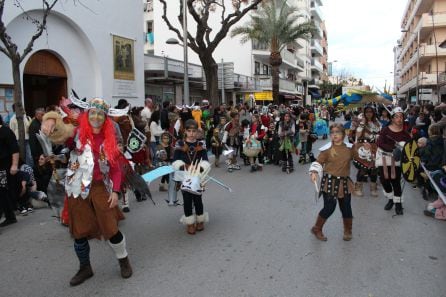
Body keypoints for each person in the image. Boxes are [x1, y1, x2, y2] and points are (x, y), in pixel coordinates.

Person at [41, 98, 133, 286]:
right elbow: (58, 133)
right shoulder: (76, 133)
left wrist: (115, 192)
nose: (96, 117)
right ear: (87, 115)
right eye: (93, 113)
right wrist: (50, 120)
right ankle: (85, 268)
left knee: (111, 229)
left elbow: (115, 169)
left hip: (100, 187)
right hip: (76, 186)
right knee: (79, 232)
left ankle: (124, 260)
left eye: (100, 114)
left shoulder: (110, 140)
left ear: (106, 118)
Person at [309, 123, 354, 241]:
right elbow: (318, 162)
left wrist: (366, 150)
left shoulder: (350, 148)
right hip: (329, 183)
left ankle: (348, 230)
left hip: (344, 183)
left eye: (337, 132)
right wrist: (314, 172)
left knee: (346, 208)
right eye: (332, 132)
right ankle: (317, 228)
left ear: (343, 135)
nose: (335, 135)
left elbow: (360, 158)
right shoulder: (327, 150)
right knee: (329, 207)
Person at [172, 119, 210, 235]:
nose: (192, 133)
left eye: (194, 131)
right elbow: (175, 161)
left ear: (197, 132)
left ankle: (200, 220)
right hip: (184, 177)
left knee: (198, 199)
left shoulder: (200, 144)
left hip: (197, 176)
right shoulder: (180, 144)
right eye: (189, 131)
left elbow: (206, 160)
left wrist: (201, 168)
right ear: (185, 131)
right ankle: (189, 223)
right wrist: (183, 166)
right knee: (187, 200)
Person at [376, 107, 412, 215]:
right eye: (397, 117)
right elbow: (380, 143)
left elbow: (410, 147)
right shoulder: (386, 130)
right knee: (384, 180)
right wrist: (393, 149)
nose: (399, 119)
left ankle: (398, 204)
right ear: (392, 119)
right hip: (384, 158)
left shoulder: (405, 134)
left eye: (401, 117)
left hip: (397, 161)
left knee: (396, 182)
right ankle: (391, 199)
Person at [352, 106, 382, 197]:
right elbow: (357, 134)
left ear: (373, 113)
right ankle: (358, 188)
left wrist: (377, 137)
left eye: (371, 112)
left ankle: (373, 188)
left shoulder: (377, 123)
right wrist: (362, 123)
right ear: (364, 113)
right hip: (362, 147)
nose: (369, 113)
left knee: (374, 169)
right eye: (367, 112)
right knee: (363, 168)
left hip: (374, 147)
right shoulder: (360, 121)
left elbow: (380, 134)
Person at [0, 115, 19, 227]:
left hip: (4, 167)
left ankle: (10, 216)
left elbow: (14, 149)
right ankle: (10, 216)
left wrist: (14, 165)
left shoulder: (6, 131)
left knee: (3, 192)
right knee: (3, 194)